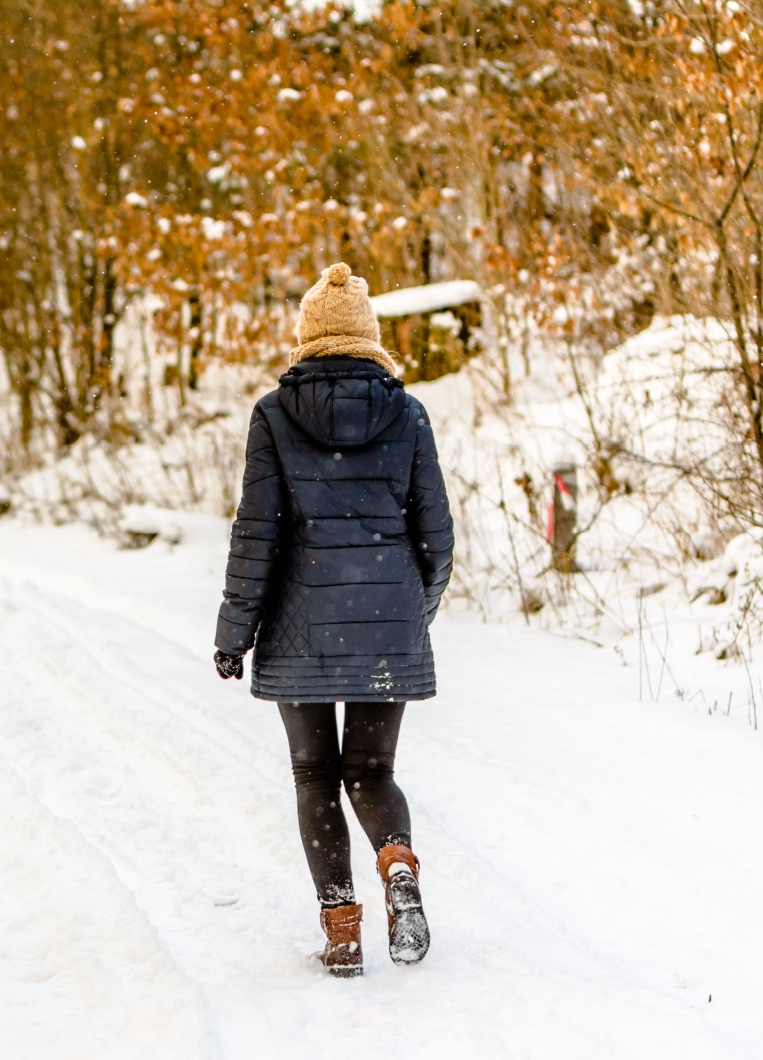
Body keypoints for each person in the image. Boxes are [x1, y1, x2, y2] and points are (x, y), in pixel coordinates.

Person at [212, 263, 454, 978]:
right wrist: (415, 612)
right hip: (388, 622)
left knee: (315, 773)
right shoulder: (407, 414)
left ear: (306, 337)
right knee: (372, 770)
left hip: (299, 628)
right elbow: (435, 534)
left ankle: (342, 930)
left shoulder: (274, 415)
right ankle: (398, 865)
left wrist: (235, 633)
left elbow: (257, 534)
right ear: (369, 338)